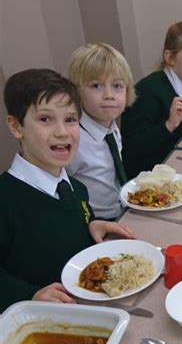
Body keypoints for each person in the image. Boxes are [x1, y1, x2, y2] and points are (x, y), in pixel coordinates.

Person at [0, 69, 135, 311]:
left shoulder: (76, 188)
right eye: (45, 119)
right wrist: (30, 295)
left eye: (70, 120)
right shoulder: (6, 200)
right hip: (41, 321)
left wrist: (91, 226)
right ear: (16, 126)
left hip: (89, 304)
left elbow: (65, 228)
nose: (62, 131)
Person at [121, 21, 182, 177]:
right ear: (170, 57)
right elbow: (131, 149)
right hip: (149, 180)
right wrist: (169, 125)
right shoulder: (147, 92)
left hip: (177, 164)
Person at [67, 42, 136, 220]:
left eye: (117, 86)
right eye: (96, 86)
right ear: (76, 92)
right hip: (97, 223)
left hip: (123, 211)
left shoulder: (111, 127)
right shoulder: (74, 140)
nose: (109, 95)